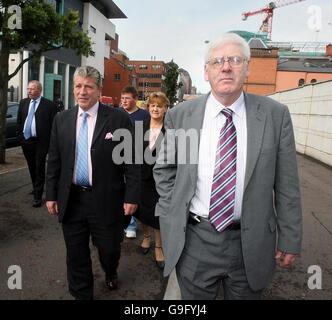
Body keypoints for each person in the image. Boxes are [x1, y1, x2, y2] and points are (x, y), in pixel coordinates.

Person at [153, 32, 302, 300]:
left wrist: (290, 237)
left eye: (235, 59)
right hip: (194, 239)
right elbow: (164, 169)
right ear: (206, 71)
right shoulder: (181, 116)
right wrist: (170, 211)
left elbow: (287, 184)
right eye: (217, 61)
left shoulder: (275, 116)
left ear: (247, 68)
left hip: (251, 243)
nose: (225, 67)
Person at [45, 66, 140, 300]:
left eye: (88, 86)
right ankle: (81, 294)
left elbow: (133, 160)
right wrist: (51, 194)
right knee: (75, 253)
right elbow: (54, 159)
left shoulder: (118, 119)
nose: (82, 91)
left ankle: (110, 269)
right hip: (73, 198)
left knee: (108, 249)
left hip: (107, 198)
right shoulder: (62, 119)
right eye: (78, 86)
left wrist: (132, 195)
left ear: (99, 90)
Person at [134, 92, 169, 269]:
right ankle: (146, 237)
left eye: (159, 105)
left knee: (158, 215)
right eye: (152, 105)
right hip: (141, 178)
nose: (155, 108)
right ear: (148, 108)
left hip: (161, 181)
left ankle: (159, 247)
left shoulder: (170, 130)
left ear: (165, 109)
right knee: (141, 212)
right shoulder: (139, 127)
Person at [17, 80, 57, 208]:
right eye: (28, 88)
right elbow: (19, 121)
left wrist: (51, 143)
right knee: (31, 166)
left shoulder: (49, 105)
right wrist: (21, 137)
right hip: (27, 141)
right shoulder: (23, 103)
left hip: (41, 142)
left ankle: (38, 197)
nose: (29, 91)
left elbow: (53, 126)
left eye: (32, 89)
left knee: (39, 166)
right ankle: (36, 187)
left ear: (39, 90)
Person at [120, 86, 150, 239]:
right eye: (122, 98)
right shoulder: (116, 114)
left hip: (138, 158)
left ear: (136, 99)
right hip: (118, 159)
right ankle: (121, 222)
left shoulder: (144, 115)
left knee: (133, 190)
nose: (124, 101)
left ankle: (131, 224)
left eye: (127, 98)